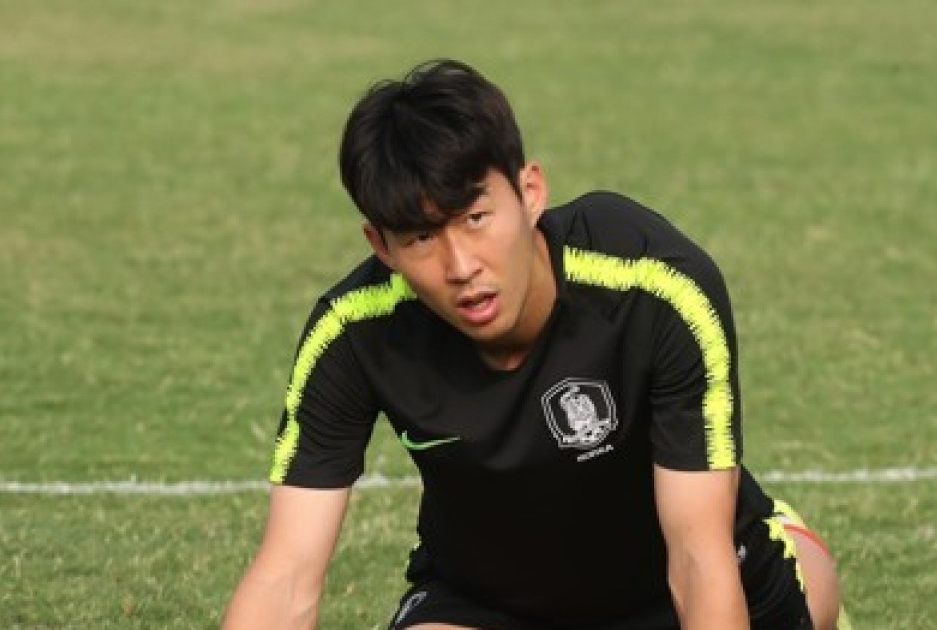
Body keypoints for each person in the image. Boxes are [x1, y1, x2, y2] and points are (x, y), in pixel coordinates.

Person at [223, 59, 848, 630]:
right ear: (381, 246)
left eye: (475, 218)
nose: (461, 266)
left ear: (529, 193)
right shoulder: (354, 331)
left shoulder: (654, 285)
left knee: (787, 586)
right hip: (491, 603)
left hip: (669, 586)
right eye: (419, 238)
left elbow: (696, 557)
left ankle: (795, 545)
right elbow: (286, 578)